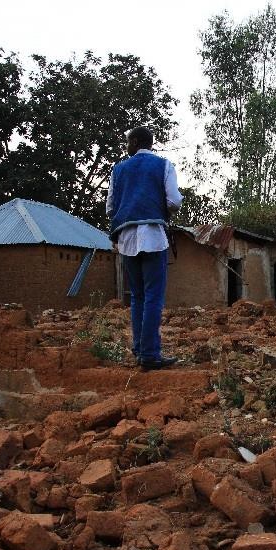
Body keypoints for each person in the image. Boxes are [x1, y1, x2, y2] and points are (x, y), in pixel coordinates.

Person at [107, 126, 182, 370]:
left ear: (137, 142)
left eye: (129, 142)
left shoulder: (118, 170)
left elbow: (110, 208)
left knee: (137, 297)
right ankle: (150, 355)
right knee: (153, 297)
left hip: (126, 238)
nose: (127, 147)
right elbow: (173, 201)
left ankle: (140, 350)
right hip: (152, 236)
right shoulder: (163, 165)